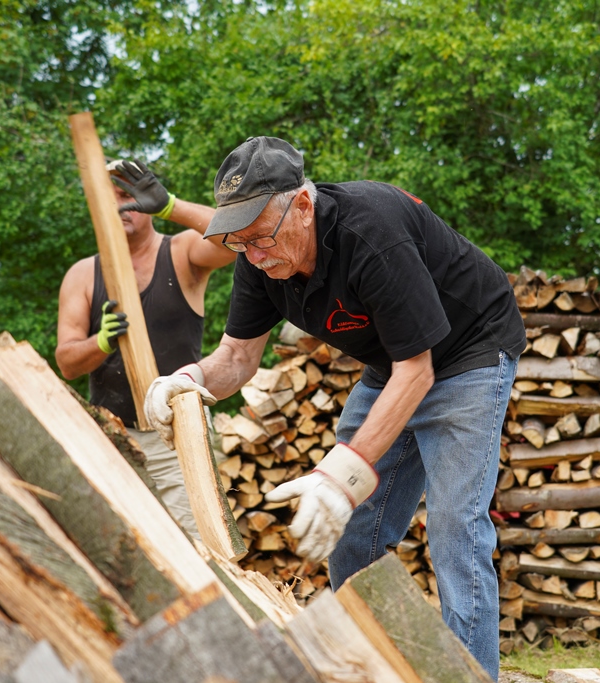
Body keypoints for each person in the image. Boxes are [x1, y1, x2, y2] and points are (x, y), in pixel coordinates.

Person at [143, 136, 525, 679]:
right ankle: (370, 669)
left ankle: (472, 676)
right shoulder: (258, 255)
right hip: (393, 363)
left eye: (260, 238)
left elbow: (418, 372)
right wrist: (187, 379)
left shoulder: (372, 232)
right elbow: (236, 358)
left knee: (455, 529)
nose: (253, 254)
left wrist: (342, 473)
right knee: (352, 531)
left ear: (303, 204)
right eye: (240, 243)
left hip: (470, 351)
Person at [55, 159, 235, 538]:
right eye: (110, 197)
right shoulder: (83, 274)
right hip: (113, 440)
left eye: (128, 194)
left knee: (203, 547)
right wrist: (100, 342)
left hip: (177, 436)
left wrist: (171, 205)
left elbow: (235, 239)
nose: (120, 205)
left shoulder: (182, 252)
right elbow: (67, 362)